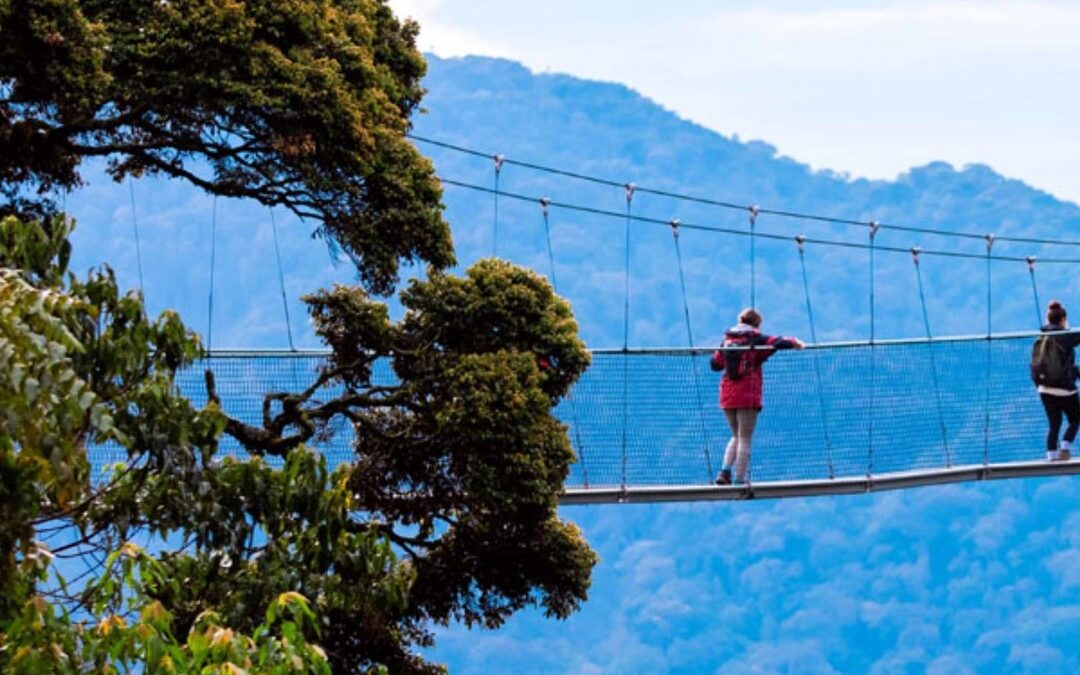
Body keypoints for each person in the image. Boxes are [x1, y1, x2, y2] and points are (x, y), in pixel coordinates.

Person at [710, 308, 804, 485]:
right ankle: (739, 480)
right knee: (745, 438)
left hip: (727, 395)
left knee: (736, 436)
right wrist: (795, 343)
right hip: (748, 395)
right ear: (757, 324)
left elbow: (715, 364)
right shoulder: (756, 340)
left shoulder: (726, 341)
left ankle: (724, 472)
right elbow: (777, 342)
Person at [1031, 300, 1080, 461]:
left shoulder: (1041, 337)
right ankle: (1065, 447)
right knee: (1075, 420)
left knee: (1054, 423)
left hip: (1044, 388)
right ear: (1063, 319)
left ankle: (1051, 455)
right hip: (1065, 389)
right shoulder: (1064, 336)